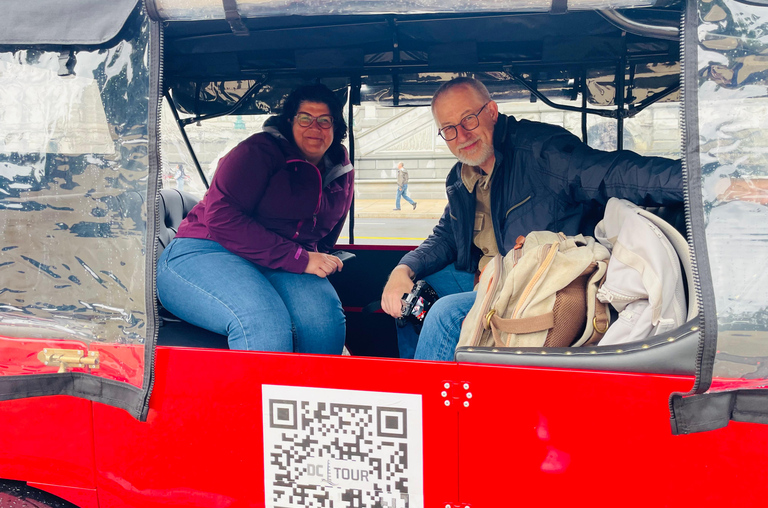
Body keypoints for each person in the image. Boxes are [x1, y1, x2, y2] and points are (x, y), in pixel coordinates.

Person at [381, 77, 683, 361]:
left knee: (445, 313)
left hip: (540, 283)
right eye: (449, 129)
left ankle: (428, 405)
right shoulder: (463, 177)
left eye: (468, 120)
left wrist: (700, 182)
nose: (461, 135)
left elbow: (614, 174)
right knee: (409, 296)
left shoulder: (541, 151)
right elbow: (446, 235)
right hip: (488, 277)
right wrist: (404, 268)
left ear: (492, 112)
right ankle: (411, 382)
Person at [157, 84, 354, 353]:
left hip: (278, 257)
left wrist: (314, 256)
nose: (314, 128)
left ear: (336, 126)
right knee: (263, 322)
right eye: (305, 118)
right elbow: (221, 218)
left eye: (324, 121)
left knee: (324, 322)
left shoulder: (340, 165)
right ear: (290, 121)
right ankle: (258, 395)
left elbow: (330, 224)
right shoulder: (257, 152)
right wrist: (299, 258)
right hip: (208, 248)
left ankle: (314, 392)